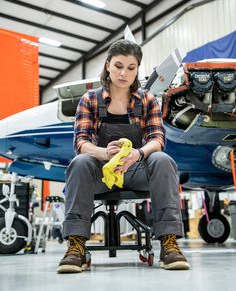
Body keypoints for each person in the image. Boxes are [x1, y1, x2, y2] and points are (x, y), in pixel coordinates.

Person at [57, 39, 190, 273]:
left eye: (131, 67)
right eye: (118, 65)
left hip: (136, 170)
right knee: (79, 163)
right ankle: (76, 246)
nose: (123, 73)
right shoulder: (90, 100)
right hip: (101, 173)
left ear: (137, 70)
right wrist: (104, 153)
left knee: (163, 160)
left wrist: (137, 154)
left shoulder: (147, 100)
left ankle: (169, 244)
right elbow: (81, 143)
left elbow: (157, 140)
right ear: (108, 65)